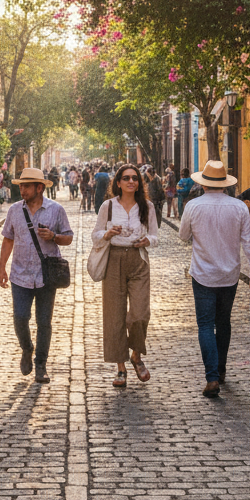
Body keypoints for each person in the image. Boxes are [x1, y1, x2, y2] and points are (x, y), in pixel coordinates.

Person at [178, 159, 250, 397]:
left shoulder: (193, 206)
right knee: (223, 321)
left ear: (204, 184)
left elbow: (183, 236)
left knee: (205, 324)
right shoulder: (238, 207)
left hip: (203, 274)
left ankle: (212, 377)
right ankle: (221, 370)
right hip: (229, 275)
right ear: (225, 185)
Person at [0, 167, 74, 383]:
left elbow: (68, 238)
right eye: (20, 185)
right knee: (20, 318)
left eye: (26, 186)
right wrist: (2, 267)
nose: (22, 189)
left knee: (44, 322)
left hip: (45, 276)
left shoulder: (56, 210)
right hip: (20, 274)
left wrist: (54, 236)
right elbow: (8, 239)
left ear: (39, 188)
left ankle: (41, 365)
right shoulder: (14, 210)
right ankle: (26, 347)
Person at [92, 164, 159, 388]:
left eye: (135, 178)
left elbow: (155, 236)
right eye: (126, 178)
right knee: (114, 316)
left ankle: (136, 355)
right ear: (118, 182)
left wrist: (147, 241)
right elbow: (96, 235)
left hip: (138, 261)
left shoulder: (147, 206)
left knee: (140, 313)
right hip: (114, 260)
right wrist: (108, 233)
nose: (131, 181)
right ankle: (120, 367)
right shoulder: (108, 207)